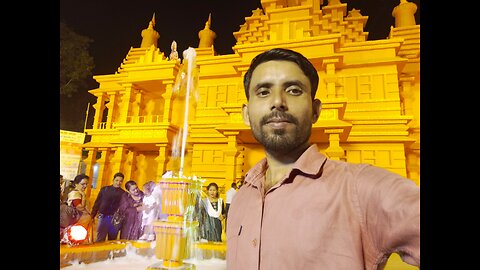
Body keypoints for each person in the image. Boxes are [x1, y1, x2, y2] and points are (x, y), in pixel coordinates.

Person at [226, 48, 420, 269]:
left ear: (316, 110)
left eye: (293, 90)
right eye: (263, 92)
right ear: (246, 113)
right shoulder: (242, 198)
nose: (278, 101)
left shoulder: (360, 189)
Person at [90, 172, 126, 242]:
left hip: (115, 219)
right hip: (103, 217)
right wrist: (92, 215)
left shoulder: (123, 193)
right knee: (100, 239)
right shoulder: (105, 189)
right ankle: (99, 252)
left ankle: (110, 253)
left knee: (112, 240)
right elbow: (97, 202)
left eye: (120, 181)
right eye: (117, 180)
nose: (118, 182)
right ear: (113, 180)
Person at [67, 174, 93, 243]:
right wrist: (83, 197)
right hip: (76, 224)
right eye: (82, 184)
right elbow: (80, 208)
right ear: (76, 184)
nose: (85, 186)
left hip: (83, 224)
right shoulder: (75, 194)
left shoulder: (80, 193)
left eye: (86, 184)